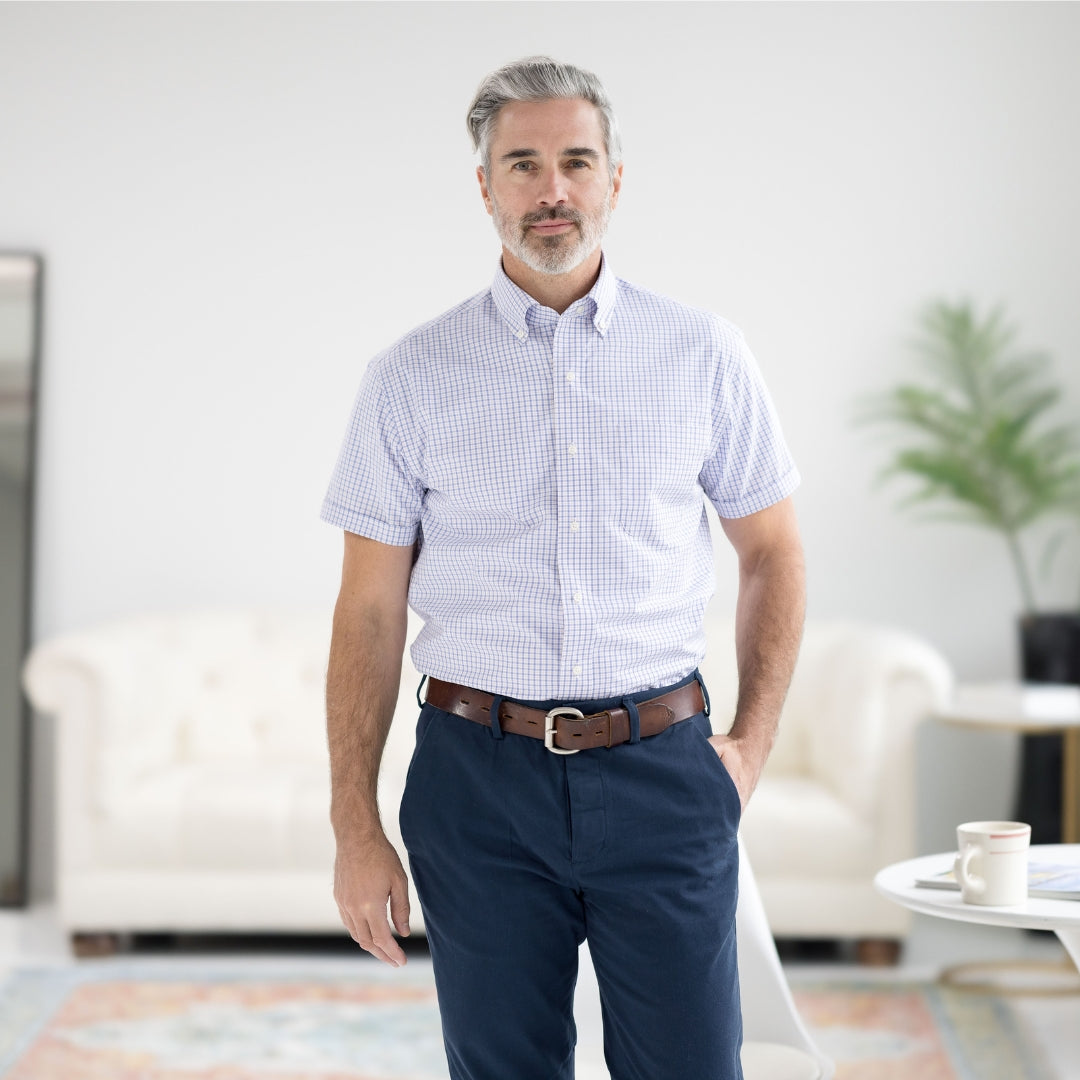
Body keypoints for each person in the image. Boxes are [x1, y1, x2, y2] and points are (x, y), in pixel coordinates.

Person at [322, 56, 805, 1080]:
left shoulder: (704, 355)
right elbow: (367, 611)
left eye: (576, 162)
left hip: (663, 771)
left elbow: (772, 551)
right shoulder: (410, 378)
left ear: (613, 180)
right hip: (475, 782)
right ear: (485, 187)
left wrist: (751, 745)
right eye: (523, 164)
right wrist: (353, 823)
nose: (552, 190)